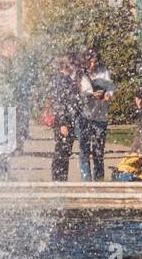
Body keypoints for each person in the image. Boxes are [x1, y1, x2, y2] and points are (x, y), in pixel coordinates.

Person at [77, 49, 113, 182]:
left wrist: (109, 94)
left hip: (100, 116)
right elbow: (76, 94)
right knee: (84, 150)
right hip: (84, 116)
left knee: (98, 151)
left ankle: (99, 179)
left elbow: (110, 87)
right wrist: (91, 95)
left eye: (95, 61)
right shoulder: (81, 74)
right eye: (90, 62)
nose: (93, 65)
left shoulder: (104, 72)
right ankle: (86, 180)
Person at [47, 54, 81, 182]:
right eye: (74, 64)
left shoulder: (65, 79)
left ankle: (60, 179)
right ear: (67, 65)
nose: (76, 67)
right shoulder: (61, 80)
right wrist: (62, 123)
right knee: (62, 150)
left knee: (64, 150)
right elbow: (59, 102)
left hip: (67, 119)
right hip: (64, 121)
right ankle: (59, 179)